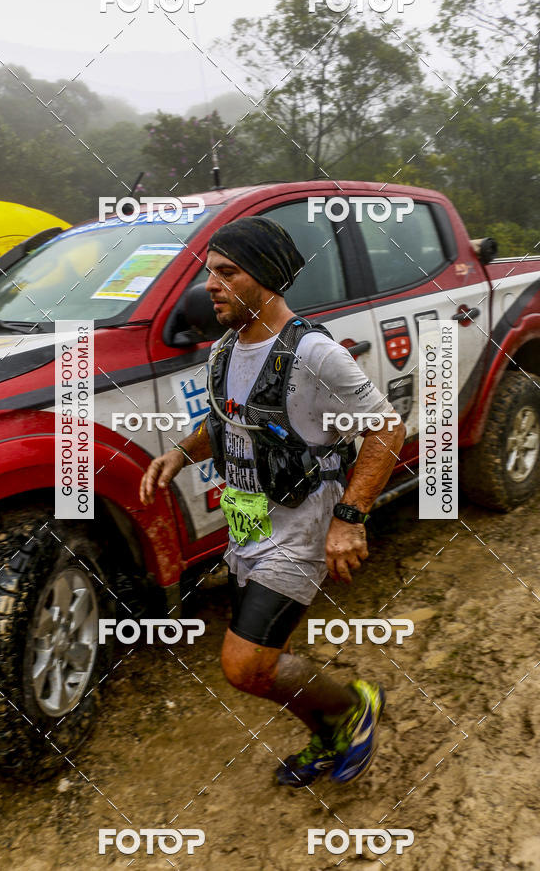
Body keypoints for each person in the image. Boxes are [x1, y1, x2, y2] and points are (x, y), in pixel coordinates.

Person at [140, 216, 406, 787]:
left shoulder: (313, 353)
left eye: (227, 273)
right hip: (248, 522)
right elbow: (227, 420)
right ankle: (330, 733)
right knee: (269, 659)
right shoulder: (224, 349)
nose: (209, 286)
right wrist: (179, 456)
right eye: (210, 272)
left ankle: (353, 709)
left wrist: (349, 519)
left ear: (264, 277)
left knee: (244, 665)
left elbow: (387, 428)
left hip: (300, 526)